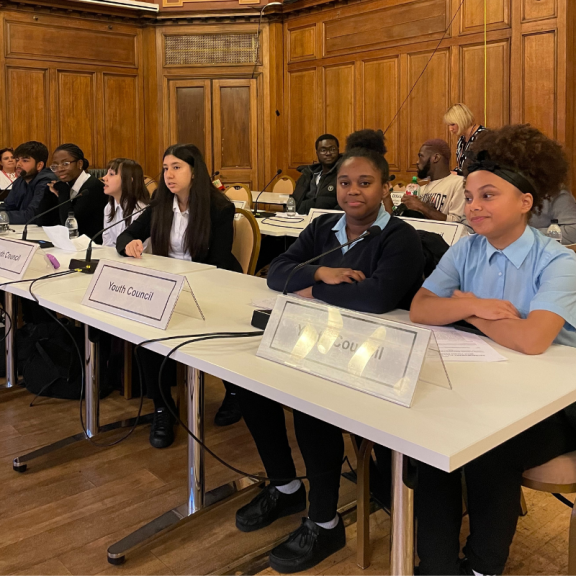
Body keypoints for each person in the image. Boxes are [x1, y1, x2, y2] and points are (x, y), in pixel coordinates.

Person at [235, 130, 425, 574]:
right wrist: (324, 271)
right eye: (344, 182)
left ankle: (324, 521)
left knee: (310, 404)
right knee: (247, 383)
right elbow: (277, 273)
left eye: (364, 182)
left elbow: (377, 297)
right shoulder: (322, 227)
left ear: (384, 188)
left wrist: (312, 290)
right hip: (316, 340)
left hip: (374, 356)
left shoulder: (400, 237)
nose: (353, 191)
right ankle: (284, 486)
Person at [409, 124, 576, 576]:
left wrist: (466, 311)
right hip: (489, 385)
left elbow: (532, 339)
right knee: (434, 438)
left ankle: (483, 566)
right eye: (470, 195)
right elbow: (421, 308)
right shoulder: (466, 250)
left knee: (488, 445)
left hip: (556, 406)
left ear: (525, 203)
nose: (474, 206)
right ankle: (437, 566)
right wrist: (477, 305)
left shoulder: (560, 261)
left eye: (488, 195)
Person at [116, 144, 242, 448]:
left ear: (194, 171)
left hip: (211, 288)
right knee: (143, 333)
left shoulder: (219, 208)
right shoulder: (161, 203)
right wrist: (129, 244)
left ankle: (236, 392)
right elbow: (126, 235)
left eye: (176, 167)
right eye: (165, 168)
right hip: (166, 288)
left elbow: (220, 263)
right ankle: (162, 407)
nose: (168, 175)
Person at [48, 144, 108, 240]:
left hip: (93, 246)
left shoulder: (91, 188)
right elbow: (43, 219)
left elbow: (70, 225)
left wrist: (63, 192)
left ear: (79, 164)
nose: (59, 169)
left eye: (65, 164)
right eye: (55, 166)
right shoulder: (68, 184)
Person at [400, 139, 466, 223]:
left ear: (435, 158)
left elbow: (457, 223)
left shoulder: (459, 183)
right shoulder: (422, 189)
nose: (417, 162)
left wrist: (420, 206)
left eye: (421, 156)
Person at [4, 141, 56, 224]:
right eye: (17, 160)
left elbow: (32, 215)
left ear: (39, 165)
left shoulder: (46, 182)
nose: (18, 164)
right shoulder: (20, 180)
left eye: (25, 160)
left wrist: (2, 217)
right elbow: (8, 206)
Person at [102, 158, 150, 247]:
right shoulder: (109, 207)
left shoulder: (140, 210)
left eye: (111, 174)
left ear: (128, 180)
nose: (104, 178)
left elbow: (142, 249)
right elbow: (107, 244)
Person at [291, 134, 342, 215]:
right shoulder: (307, 174)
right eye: (323, 150)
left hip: (326, 222)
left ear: (338, 150)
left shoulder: (344, 175)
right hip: (300, 219)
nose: (328, 153)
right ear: (317, 153)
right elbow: (295, 200)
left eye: (332, 149)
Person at [443, 103, 488, 175]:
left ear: (461, 120)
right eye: (449, 125)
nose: (450, 129)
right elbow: (462, 168)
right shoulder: (461, 140)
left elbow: (484, 169)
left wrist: (458, 174)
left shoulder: (483, 137)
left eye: (453, 124)